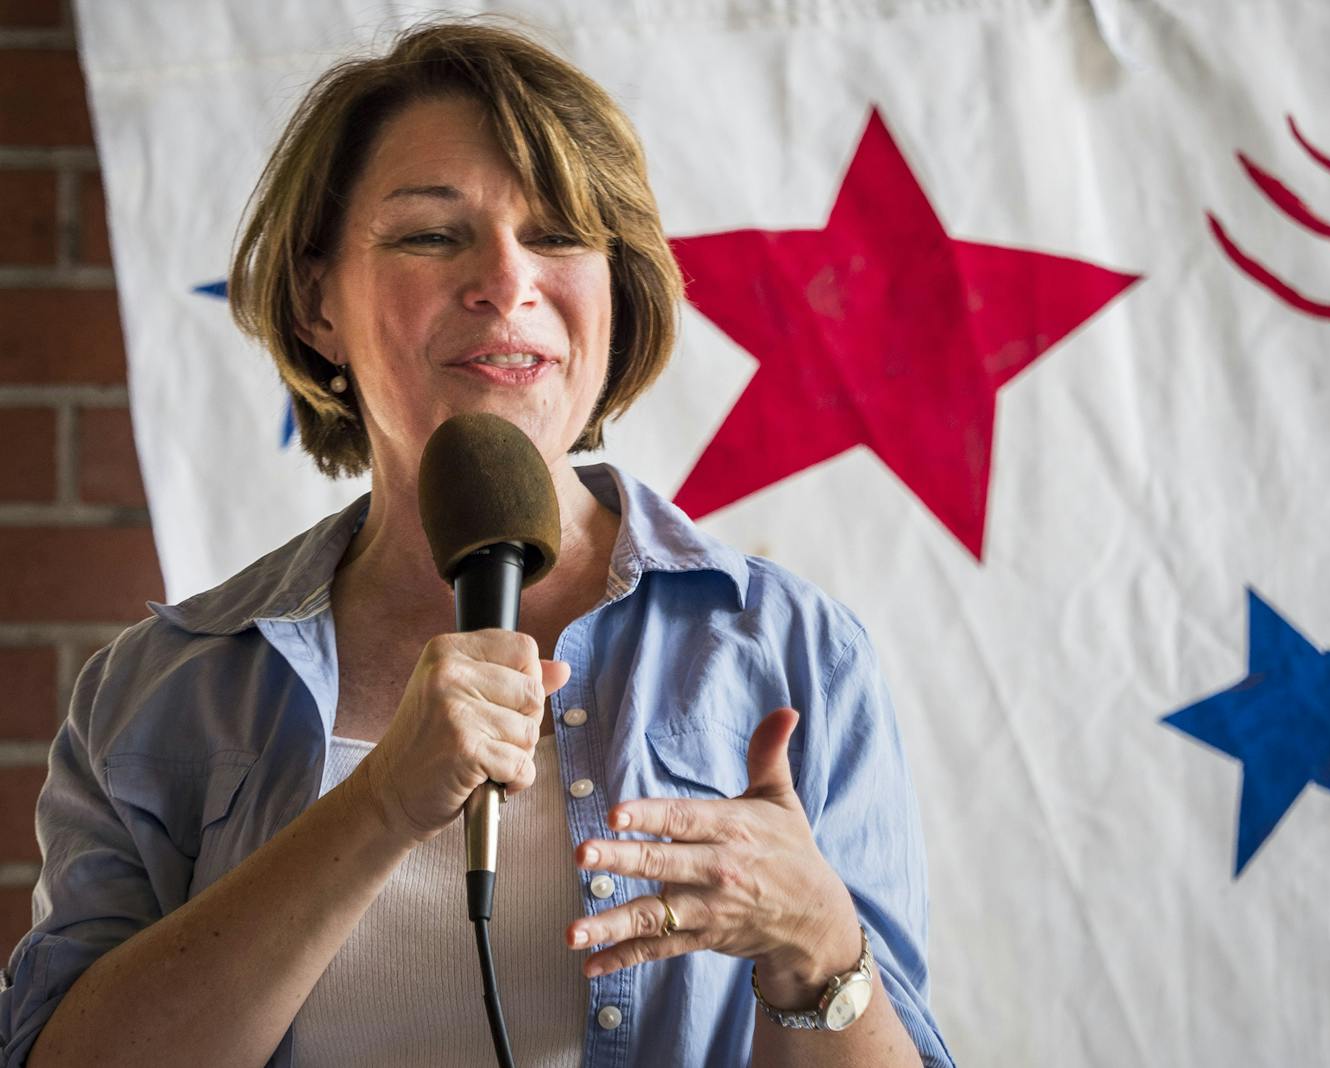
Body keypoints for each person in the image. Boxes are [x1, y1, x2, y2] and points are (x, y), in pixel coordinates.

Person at [0, 18, 953, 1068]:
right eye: (429, 234)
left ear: (615, 286)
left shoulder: (793, 651)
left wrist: (818, 948)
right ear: (318, 300)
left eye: (556, 235)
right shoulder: (161, 689)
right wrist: (378, 807)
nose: (506, 281)